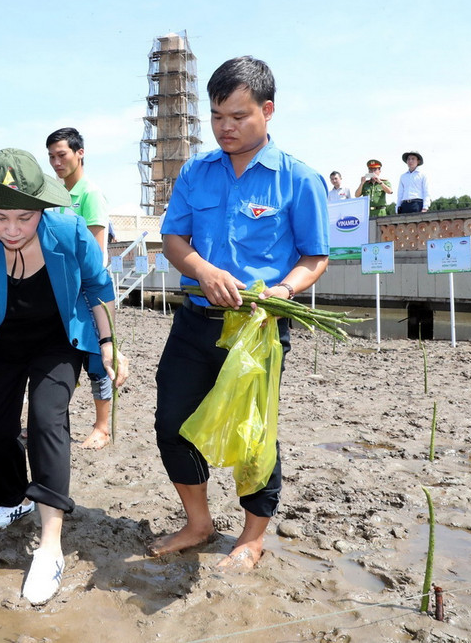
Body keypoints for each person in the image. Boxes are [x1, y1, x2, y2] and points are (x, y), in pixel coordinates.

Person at [0, 148, 128, 605]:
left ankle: (51, 544)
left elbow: (98, 288)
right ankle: (15, 500)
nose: (12, 229)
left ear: (43, 208)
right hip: (0, 340)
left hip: (58, 338)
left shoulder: (69, 230)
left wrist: (108, 344)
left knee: (48, 419)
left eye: (25, 217)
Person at [151, 57, 329, 571]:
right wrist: (203, 271)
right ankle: (199, 522)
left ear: (267, 111)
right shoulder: (196, 173)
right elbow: (173, 240)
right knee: (173, 424)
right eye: (216, 117)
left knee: (255, 435)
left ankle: (252, 537)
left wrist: (281, 291)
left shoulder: (298, 179)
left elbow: (314, 258)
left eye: (238, 115)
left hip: (259, 328)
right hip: (195, 321)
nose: (225, 127)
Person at [46, 127, 114, 450]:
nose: (56, 162)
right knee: (57, 356)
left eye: (62, 155)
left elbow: (96, 254)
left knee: (98, 360)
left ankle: (102, 427)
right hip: (62, 290)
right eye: (51, 157)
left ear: (79, 153)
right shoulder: (56, 196)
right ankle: (52, 420)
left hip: (88, 292)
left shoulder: (89, 195)